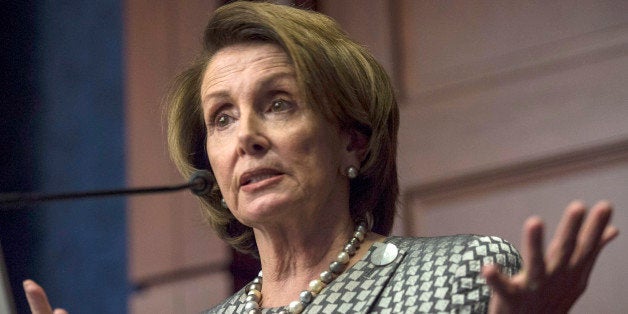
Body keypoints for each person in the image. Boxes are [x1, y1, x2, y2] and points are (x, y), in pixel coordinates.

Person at [24, 2, 619, 313]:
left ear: (352, 142)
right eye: (222, 117)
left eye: (279, 104)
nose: (246, 138)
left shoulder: (464, 273)